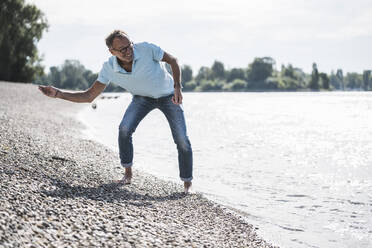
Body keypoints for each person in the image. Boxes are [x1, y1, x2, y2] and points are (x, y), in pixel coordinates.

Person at [39, 30, 193, 193]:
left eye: (129, 46)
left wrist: (177, 86)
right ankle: (127, 173)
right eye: (122, 49)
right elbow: (89, 95)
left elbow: (173, 61)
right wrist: (58, 94)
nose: (128, 51)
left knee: (181, 139)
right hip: (141, 98)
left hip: (169, 96)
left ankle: (187, 184)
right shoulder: (109, 68)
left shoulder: (147, 49)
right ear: (112, 52)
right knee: (124, 129)